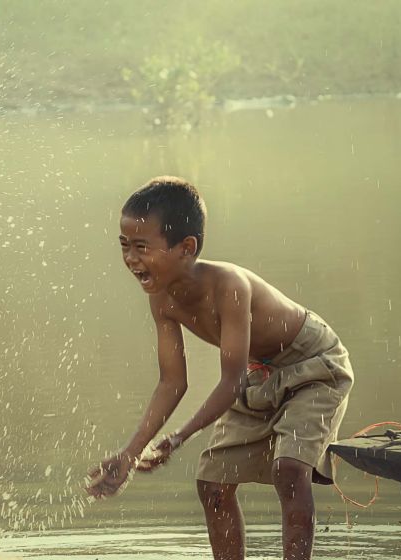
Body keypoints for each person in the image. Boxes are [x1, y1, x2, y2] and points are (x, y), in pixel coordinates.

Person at [86, 176, 354, 560]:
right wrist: (131, 452)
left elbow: (231, 381)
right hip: (258, 373)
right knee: (212, 483)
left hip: (312, 364)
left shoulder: (229, 285)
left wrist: (178, 438)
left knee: (290, 470)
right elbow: (172, 382)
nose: (131, 259)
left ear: (186, 248)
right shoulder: (161, 299)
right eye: (125, 246)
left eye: (143, 248)